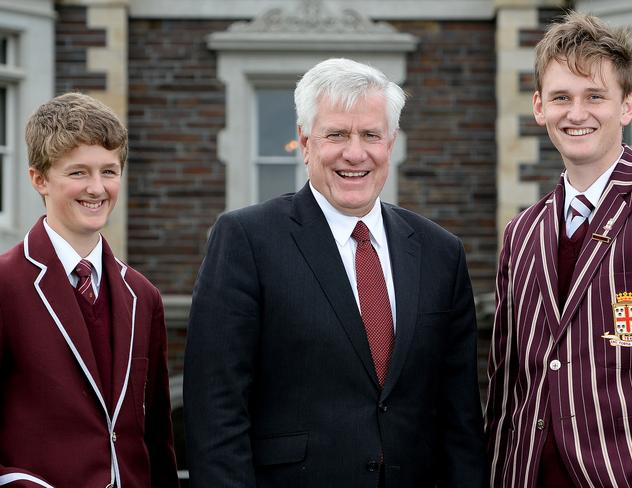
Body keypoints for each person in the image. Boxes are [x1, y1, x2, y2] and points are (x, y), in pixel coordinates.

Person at [184, 58, 486, 487]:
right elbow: (216, 409)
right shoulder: (247, 240)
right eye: (337, 134)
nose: (355, 152)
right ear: (305, 143)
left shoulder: (441, 252)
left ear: (391, 142)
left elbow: (461, 419)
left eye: (370, 135)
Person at [485, 12, 632, 487]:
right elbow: (505, 388)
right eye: (561, 97)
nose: (576, 113)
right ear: (539, 107)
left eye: (595, 96)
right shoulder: (521, 233)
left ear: (627, 105)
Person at [0, 93, 179, 487]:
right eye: (78, 172)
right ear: (39, 179)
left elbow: (156, 437)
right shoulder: (5, 285)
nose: (97, 188)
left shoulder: (142, 295)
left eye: (109, 172)